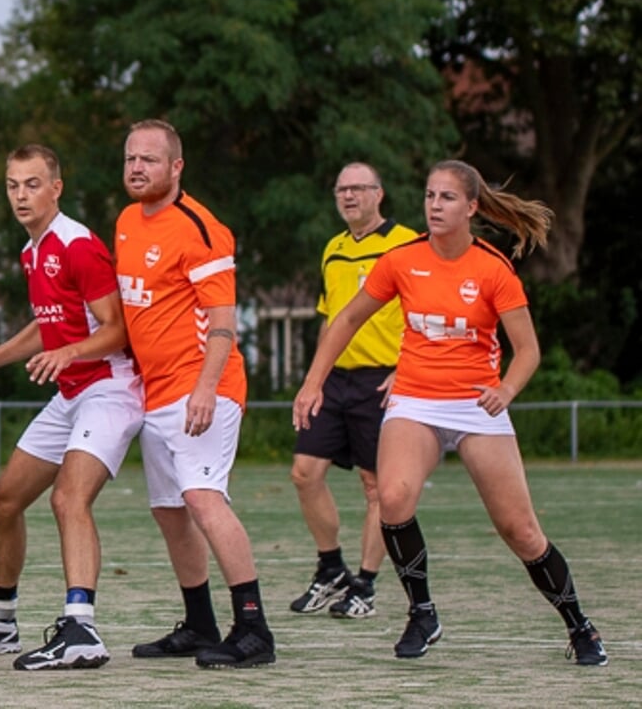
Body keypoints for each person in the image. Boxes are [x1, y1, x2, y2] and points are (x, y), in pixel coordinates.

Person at [294, 160, 606, 666]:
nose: (434, 206)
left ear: (472, 207)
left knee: (521, 531)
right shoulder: (402, 259)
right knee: (392, 498)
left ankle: (580, 625)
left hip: (476, 405)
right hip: (415, 400)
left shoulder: (492, 269)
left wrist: (505, 390)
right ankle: (422, 613)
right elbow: (348, 317)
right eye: (429, 196)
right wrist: (313, 384)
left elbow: (527, 350)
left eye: (446, 198)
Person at [0, 145, 140, 671]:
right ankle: (0, 622)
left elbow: (116, 329)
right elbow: (47, 325)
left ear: (56, 188)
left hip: (110, 389)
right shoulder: (33, 250)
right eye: (13, 185)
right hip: (71, 393)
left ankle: (81, 629)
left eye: (32, 184)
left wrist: (68, 351)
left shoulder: (78, 245)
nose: (21, 195)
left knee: (69, 499)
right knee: (2, 500)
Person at [116, 119, 275, 669]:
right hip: (154, 394)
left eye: (150, 160)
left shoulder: (202, 229)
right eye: (131, 158)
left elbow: (225, 322)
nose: (137, 168)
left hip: (202, 389)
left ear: (176, 167)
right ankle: (201, 624)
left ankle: (253, 629)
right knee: (169, 511)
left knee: (204, 500)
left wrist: (206, 388)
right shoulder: (127, 221)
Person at [286, 163, 416, 622]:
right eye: (341, 189)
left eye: (358, 188)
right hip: (336, 377)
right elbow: (331, 317)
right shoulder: (334, 249)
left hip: (382, 378)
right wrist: (315, 377)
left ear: (379, 193)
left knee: (376, 485)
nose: (348, 196)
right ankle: (331, 567)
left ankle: (365, 583)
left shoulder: (407, 244)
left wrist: (408, 367)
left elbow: (425, 312)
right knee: (304, 472)